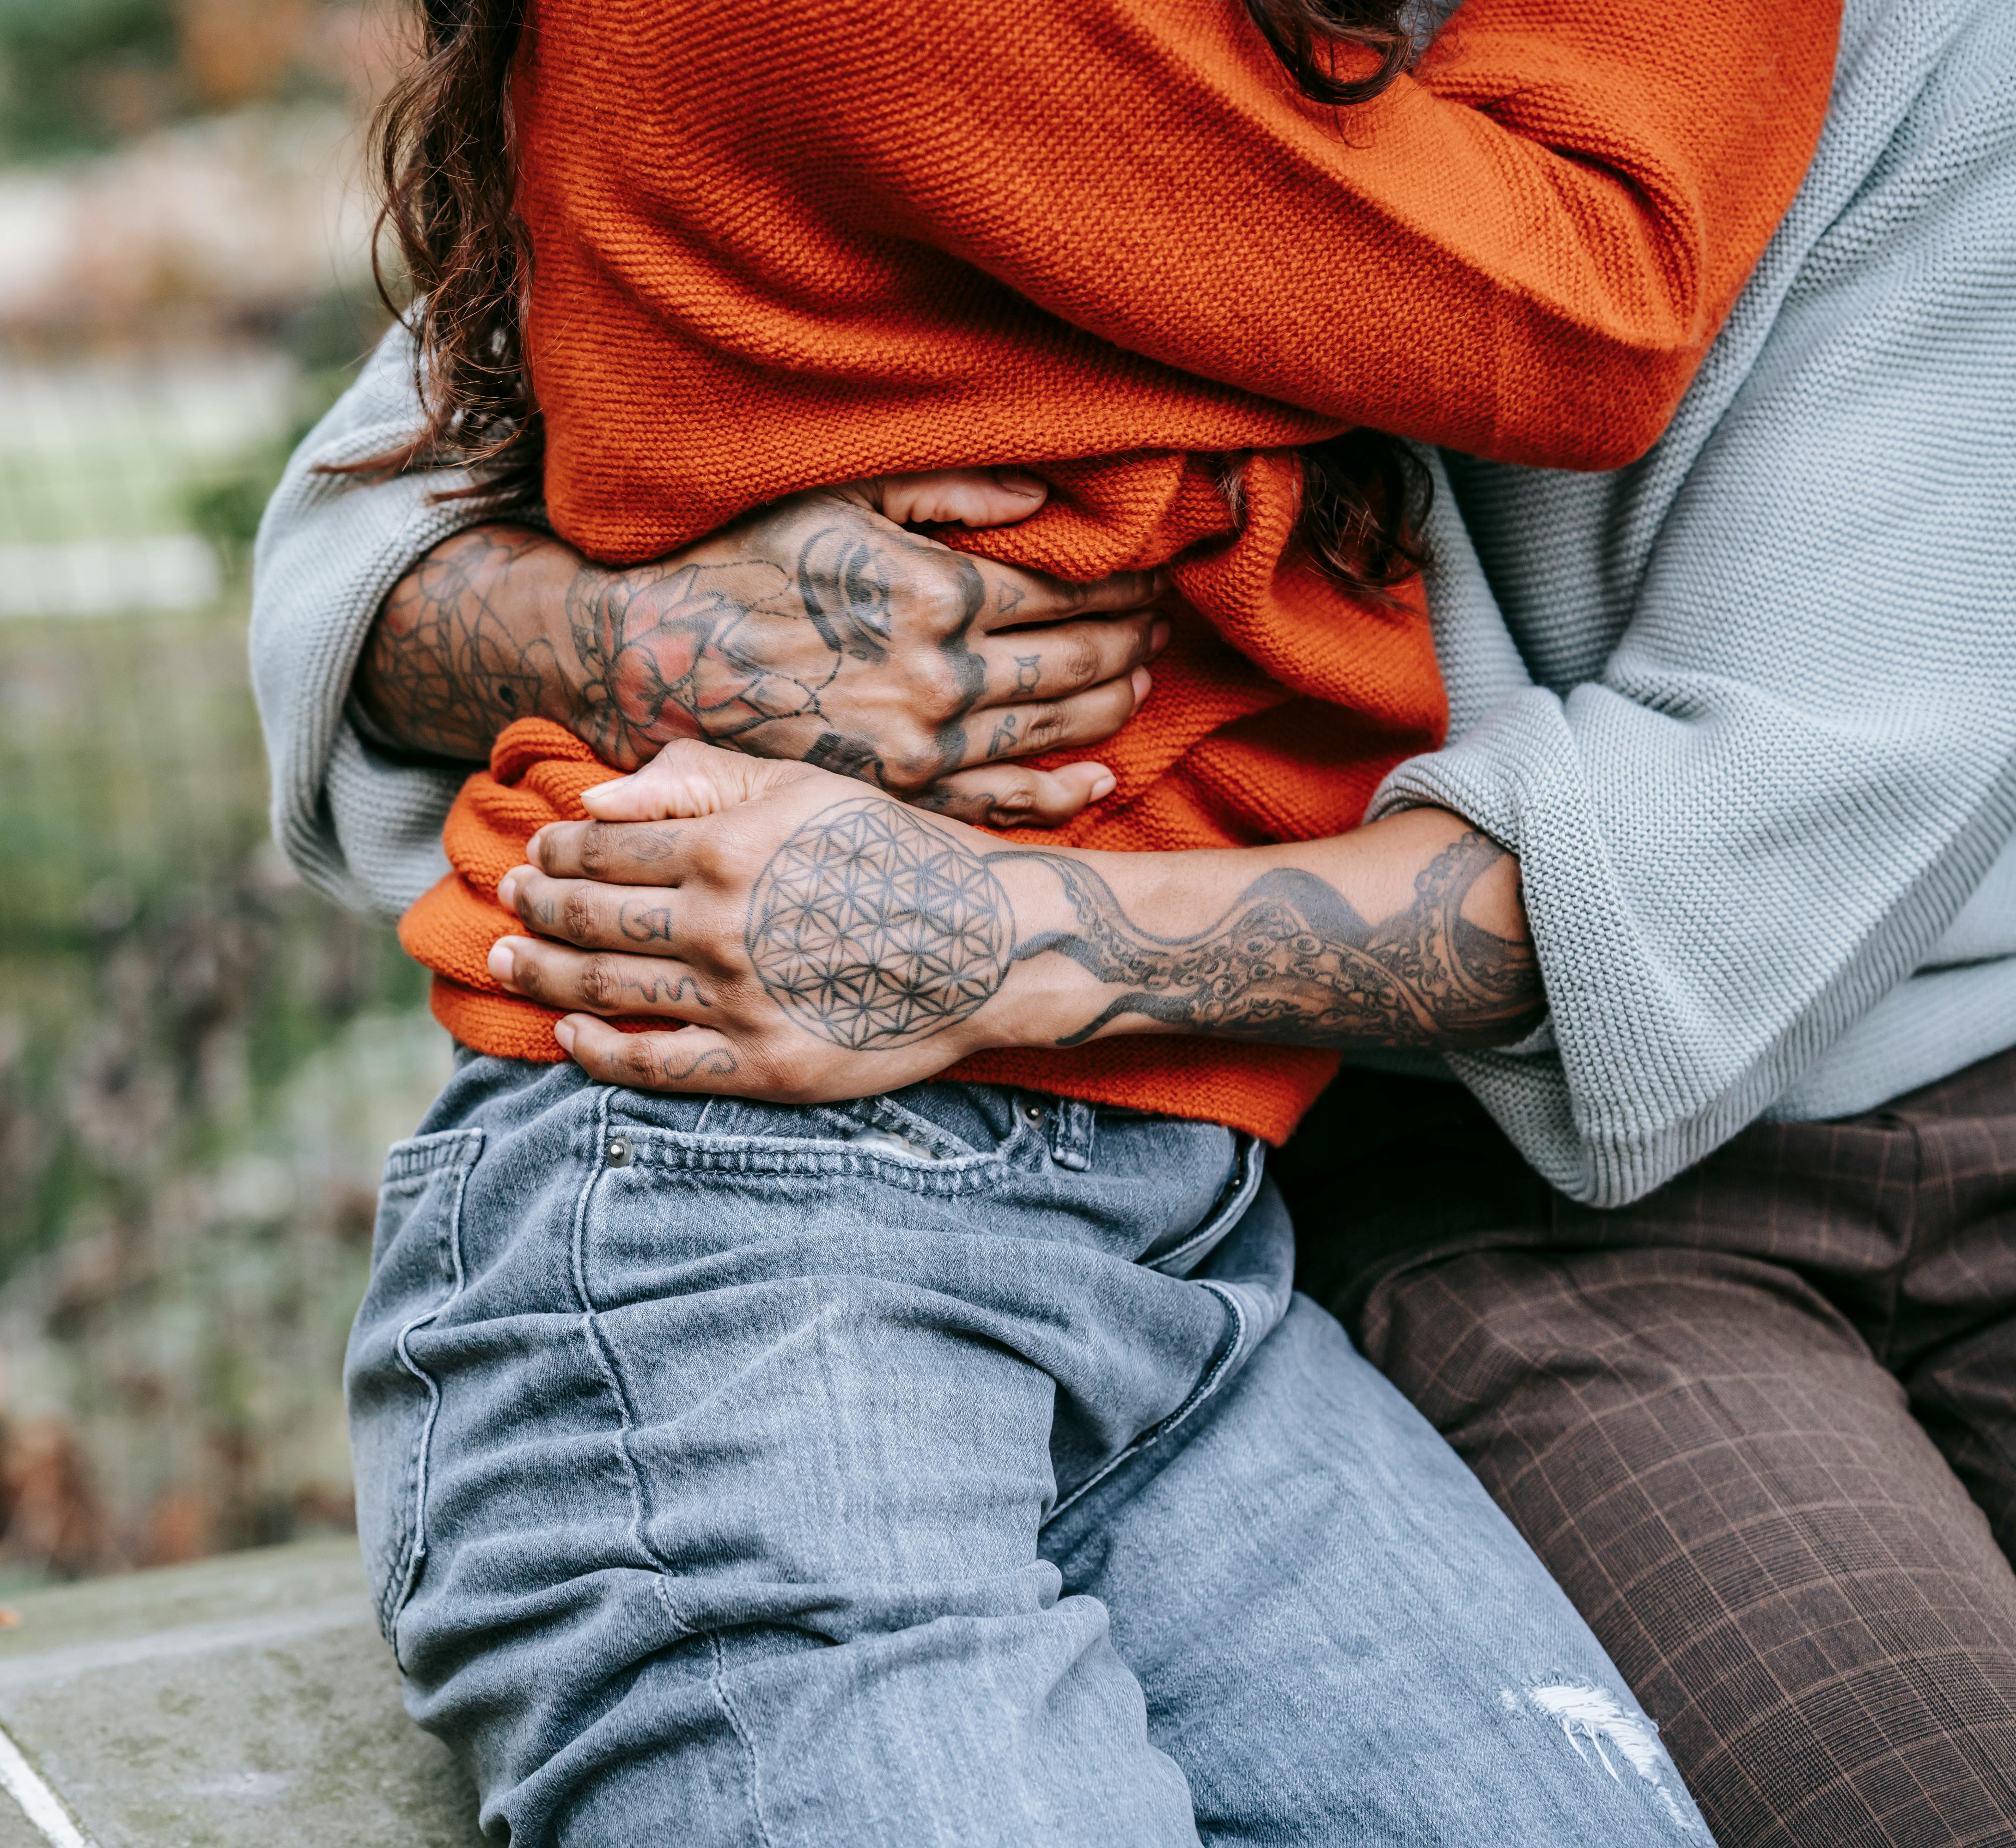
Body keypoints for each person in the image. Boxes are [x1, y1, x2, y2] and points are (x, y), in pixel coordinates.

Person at [251, 0, 2016, 1842]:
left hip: (1184, 1230)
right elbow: (375, 510)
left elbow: (1730, 746)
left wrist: (973, 937)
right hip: (829, 1202)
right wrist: (656, 644)